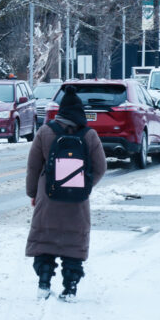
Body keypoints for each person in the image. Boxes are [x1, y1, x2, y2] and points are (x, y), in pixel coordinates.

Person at [25, 86, 107, 302]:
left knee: (45, 239)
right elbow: (101, 167)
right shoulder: (89, 135)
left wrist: (33, 192)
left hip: (48, 197)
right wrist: (85, 186)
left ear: (61, 111)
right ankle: (70, 287)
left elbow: (33, 166)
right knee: (73, 243)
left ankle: (43, 283)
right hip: (77, 201)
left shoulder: (45, 132)